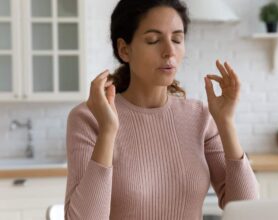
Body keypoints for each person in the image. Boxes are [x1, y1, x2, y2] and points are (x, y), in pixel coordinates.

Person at [64, 0, 259, 219]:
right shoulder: (89, 118)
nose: (169, 51)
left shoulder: (200, 117)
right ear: (124, 50)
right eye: (153, 40)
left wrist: (226, 123)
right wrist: (108, 131)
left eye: (177, 39)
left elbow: (247, 209)